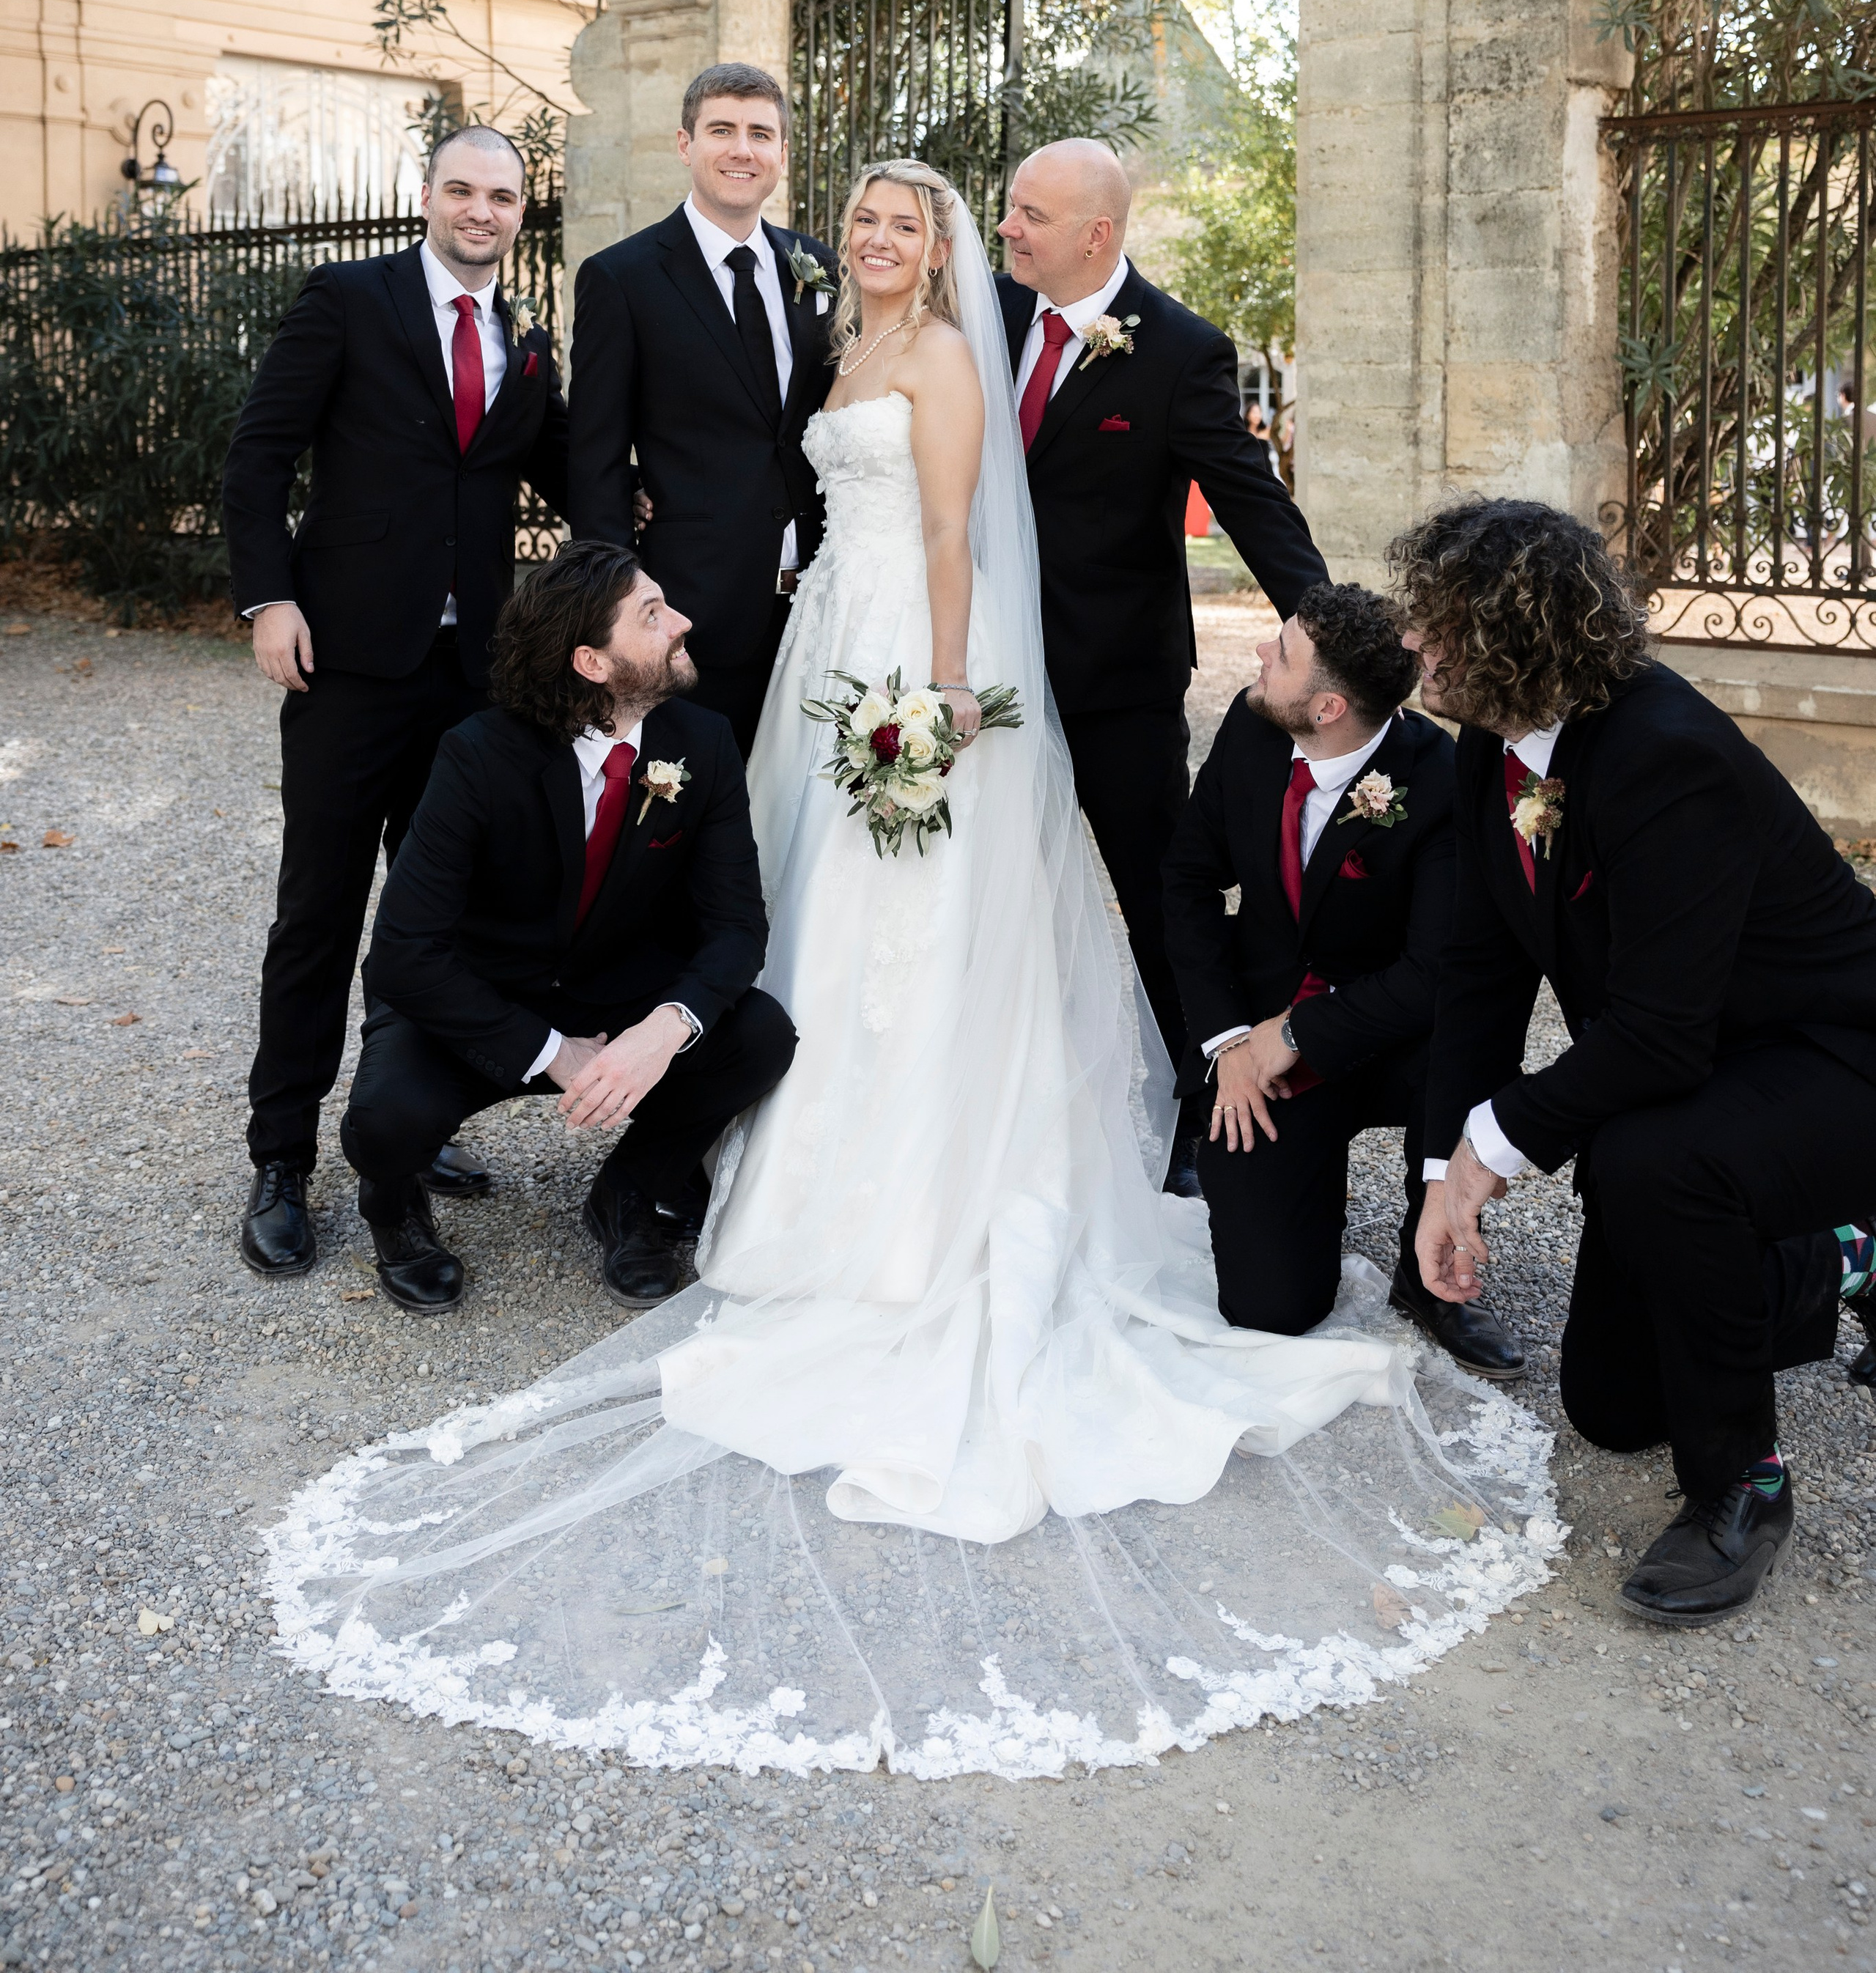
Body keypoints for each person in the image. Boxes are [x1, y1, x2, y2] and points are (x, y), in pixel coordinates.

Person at [267, 169, 1560, 1774]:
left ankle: (923, 1160)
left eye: (909, 225)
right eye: (867, 223)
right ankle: (733, 1134)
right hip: (827, 638)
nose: (888, 243)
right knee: (794, 900)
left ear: (951, 244)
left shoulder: (964, 355)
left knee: (929, 913)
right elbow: (810, 494)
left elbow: (954, 525)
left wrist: (949, 696)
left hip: (925, 661)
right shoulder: (839, 346)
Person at [1401, 495, 1876, 1625]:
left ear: (1517, 635)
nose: (1412, 642)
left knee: (1655, 1163)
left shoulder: (1671, 757)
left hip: (1834, 1055)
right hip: (1704, 1061)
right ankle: (1846, 1262)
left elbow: (1660, 1034)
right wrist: (1437, 1180)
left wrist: (1491, 1153)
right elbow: (1477, 976)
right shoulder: (1489, 750)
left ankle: (1743, 1486)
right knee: (1613, 1404)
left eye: (1437, 621)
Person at [221, 125, 568, 1280]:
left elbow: (566, 466)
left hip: (473, 682)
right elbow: (259, 456)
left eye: (503, 197)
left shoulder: (524, 337)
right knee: (317, 916)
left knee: (436, 928)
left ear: (524, 212)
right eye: (462, 190)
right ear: (429, 197)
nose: (482, 210)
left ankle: (401, 1138)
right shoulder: (348, 300)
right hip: (347, 666)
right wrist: (269, 599)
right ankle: (281, 1160)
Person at [992, 139, 1327, 1194]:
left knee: (1157, 891)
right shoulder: (987, 316)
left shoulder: (1182, 350)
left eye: (1031, 216)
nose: (1008, 230)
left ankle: (1196, 1103)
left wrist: (1329, 636)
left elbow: (1251, 501)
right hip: (984, 679)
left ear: (1097, 235)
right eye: (1010, 209)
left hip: (1115, 681)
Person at [339, 541, 796, 1310]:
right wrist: (550, 1051)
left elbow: (736, 925)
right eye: (653, 616)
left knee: (759, 1038)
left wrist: (663, 1030)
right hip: (482, 998)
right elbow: (401, 957)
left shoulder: (702, 742)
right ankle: (393, 1208)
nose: (682, 622)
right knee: (385, 1124)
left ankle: (627, 1192)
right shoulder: (477, 756)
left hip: (619, 989)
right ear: (592, 662)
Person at [1162, 582, 1524, 1379]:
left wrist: (1293, 1035)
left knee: (1462, 1039)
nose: (1261, 653)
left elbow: (1436, 971)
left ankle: (1427, 1265)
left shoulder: (1438, 777)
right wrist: (1230, 1043)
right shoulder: (1253, 726)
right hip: (1253, 1034)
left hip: (1383, 1037)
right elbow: (1187, 884)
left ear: (1328, 707)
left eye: (1281, 651)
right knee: (1271, 1308)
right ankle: (1291, 1179)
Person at [565, 62, 835, 754]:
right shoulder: (621, 278)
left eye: (760, 134)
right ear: (686, 145)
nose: (741, 150)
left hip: (821, 606)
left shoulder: (819, 267)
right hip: (690, 611)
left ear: (781, 153)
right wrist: (618, 612)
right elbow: (595, 459)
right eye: (722, 130)